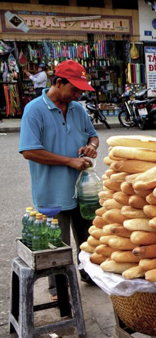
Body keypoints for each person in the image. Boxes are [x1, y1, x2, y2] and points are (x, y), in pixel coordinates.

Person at [19, 60, 98, 297]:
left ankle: (89, 275)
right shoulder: (34, 110)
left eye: (81, 89)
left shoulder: (78, 109)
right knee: (57, 246)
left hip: (82, 191)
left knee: (89, 239)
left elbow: (93, 136)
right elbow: (29, 151)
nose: (78, 93)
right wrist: (68, 161)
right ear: (58, 82)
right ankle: (59, 290)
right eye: (74, 89)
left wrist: (91, 147)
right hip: (52, 193)